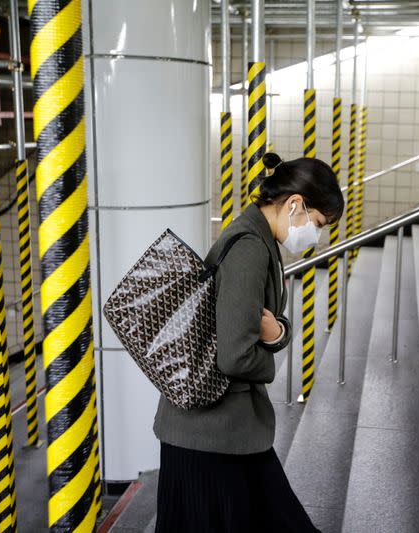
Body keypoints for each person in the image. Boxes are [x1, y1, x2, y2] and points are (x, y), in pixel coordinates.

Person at [153, 152, 345, 532]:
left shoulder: (257, 238)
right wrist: (271, 360)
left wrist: (278, 334)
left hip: (219, 431)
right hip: (210, 437)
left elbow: (267, 324)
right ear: (294, 205)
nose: (316, 235)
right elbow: (236, 356)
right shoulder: (250, 250)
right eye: (318, 223)